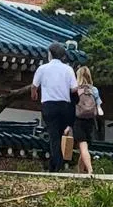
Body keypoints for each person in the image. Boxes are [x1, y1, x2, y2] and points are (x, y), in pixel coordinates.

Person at [32, 41, 78, 172]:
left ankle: (57, 164)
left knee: (53, 135)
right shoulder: (68, 69)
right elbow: (74, 89)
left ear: (50, 54)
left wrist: (34, 94)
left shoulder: (43, 68)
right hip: (64, 105)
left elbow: (34, 86)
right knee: (59, 134)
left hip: (49, 104)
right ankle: (56, 162)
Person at [72, 66, 103, 174]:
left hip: (78, 120)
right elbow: (99, 104)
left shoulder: (76, 89)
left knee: (83, 147)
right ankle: (80, 171)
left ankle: (90, 170)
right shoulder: (93, 90)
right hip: (90, 120)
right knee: (84, 148)